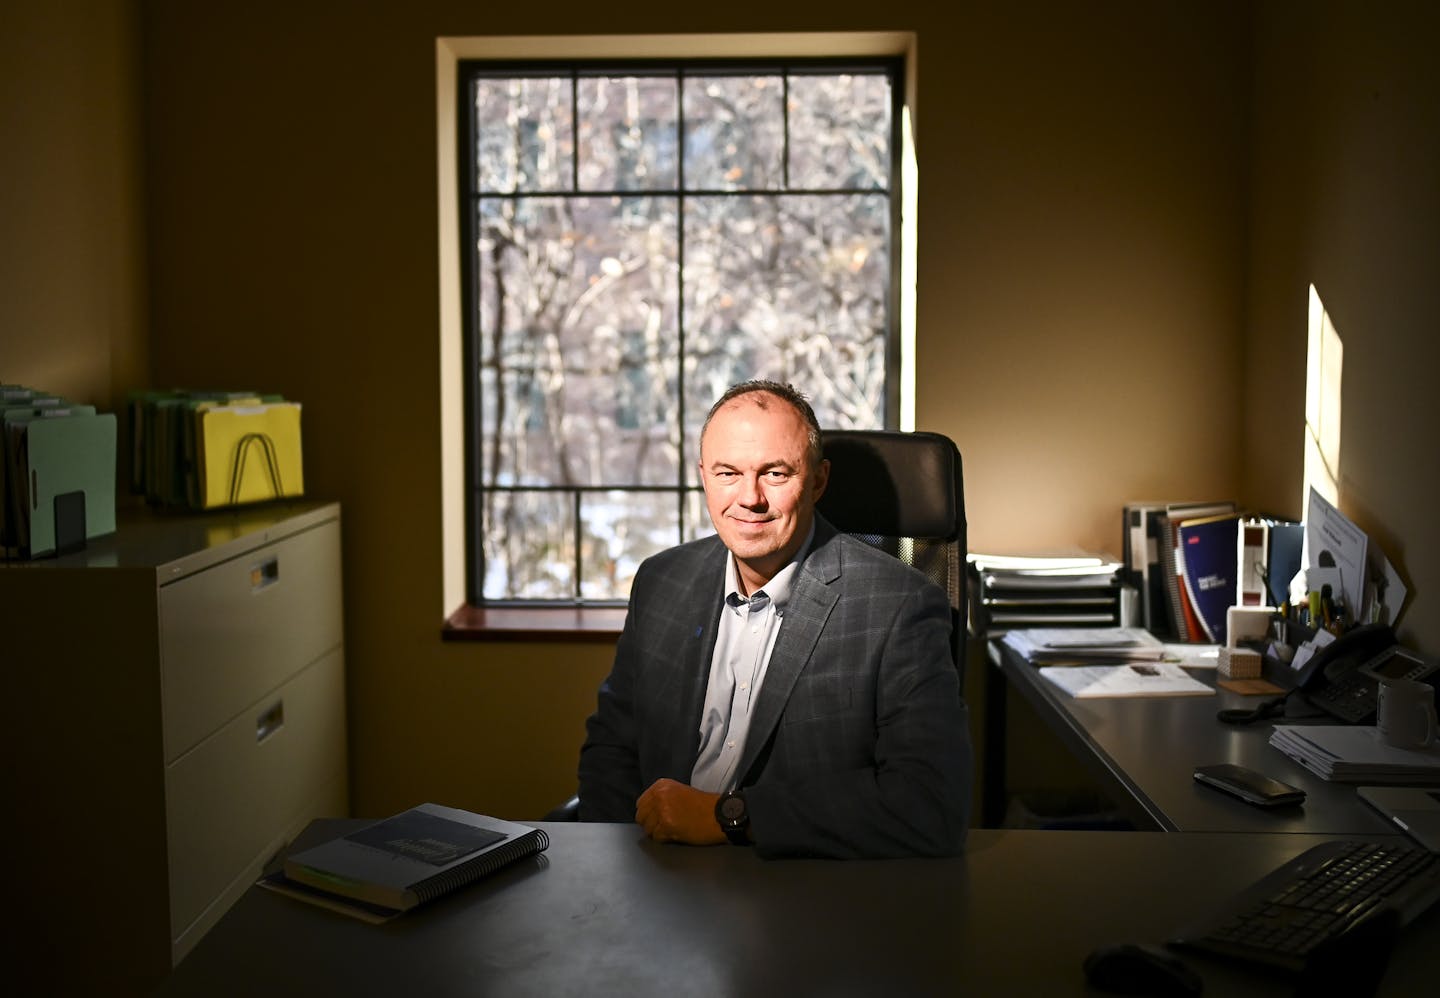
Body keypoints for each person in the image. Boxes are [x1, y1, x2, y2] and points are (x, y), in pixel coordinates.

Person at [576, 380, 972, 858]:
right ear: (703, 475)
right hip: (657, 876)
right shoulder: (662, 582)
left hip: (797, 888)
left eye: (776, 474)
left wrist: (728, 818)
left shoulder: (898, 605)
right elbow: (611, 750)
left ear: (819, 481)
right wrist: (619, 867)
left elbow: (930, 805)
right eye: (727, 473)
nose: (749, 498)